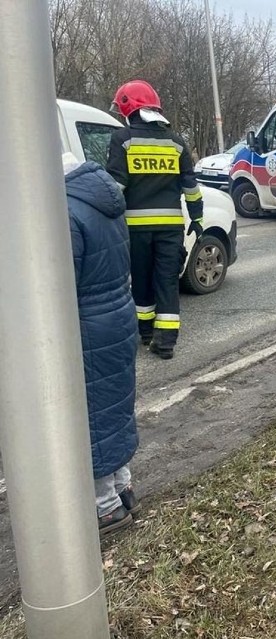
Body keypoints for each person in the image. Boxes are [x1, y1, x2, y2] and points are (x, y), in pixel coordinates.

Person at [64, 152, 141, 534]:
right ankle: (123, 487)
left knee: (91, 417)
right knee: (112, 408)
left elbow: (62, 282)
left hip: (87, 324)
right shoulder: (102, 196)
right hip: (117, 314)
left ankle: (106, 507)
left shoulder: (63, 208)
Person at [106, 80, 203, 359]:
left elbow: (116, 187)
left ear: (128, 107)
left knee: (141, 279)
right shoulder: (176, 141)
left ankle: (146, 332)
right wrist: (196, 218)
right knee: (167, 281)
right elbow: (191, 187)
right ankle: (166, 342)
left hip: (136, 228)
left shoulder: (122, 139)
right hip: (171, 227)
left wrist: (104, 215)